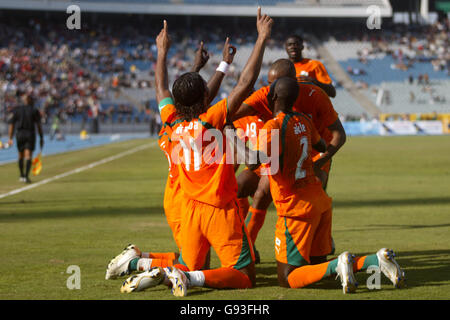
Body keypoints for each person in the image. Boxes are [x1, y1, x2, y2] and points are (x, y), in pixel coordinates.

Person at [120, 9, 273, 297]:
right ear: (205, 98)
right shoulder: (208, 122)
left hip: (188, 208)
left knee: (193, 263)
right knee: (243, 275)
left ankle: (161, 271)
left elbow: (161, 87)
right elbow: (245, 84)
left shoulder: (170, 123)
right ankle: (188, 280)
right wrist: (261, 38)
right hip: (218, 208)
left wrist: (161, 51)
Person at [246, 77, 405, 293]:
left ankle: (340, 263)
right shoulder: (303, 120)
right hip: (319, 200)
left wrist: (234, 141)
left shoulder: (272, 127)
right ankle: (375, 261)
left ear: (272, 97)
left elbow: (254, 161)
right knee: (315, 268)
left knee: (287, 277)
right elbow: (321, 144)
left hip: (295, 208)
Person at [106, 35, 235, 281]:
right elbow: (201, 100)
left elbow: (178, 92)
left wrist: (174, 58)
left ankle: (138, 260)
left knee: (196, 260)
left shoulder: (171, 121)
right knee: (196, 265)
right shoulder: (191, 125)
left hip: (176, 194)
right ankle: (139, 263)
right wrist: (223, 65)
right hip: (184, 197)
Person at [231, 58, 346, 264]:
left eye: (275, 84)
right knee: (258, 193)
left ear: (293, 82)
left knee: (311, 196)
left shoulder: (314, 96)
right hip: (281, 156)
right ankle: (247, 248)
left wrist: (320, 161)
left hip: (311, 159)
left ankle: (318, 240)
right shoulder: (267, 95)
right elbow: (229, 116)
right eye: (268, 83)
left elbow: (338, 135)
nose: (270, 89)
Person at [7, 93, 44, 184]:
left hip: (19, 134)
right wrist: (41, 137)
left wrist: (10, 138)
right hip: (30, 134)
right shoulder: (34, 110)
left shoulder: (17, 110)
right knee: (28, 156)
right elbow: (38, 125)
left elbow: (11, 125)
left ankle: (21, 175)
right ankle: (26, 176)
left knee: (20, 155)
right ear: (30, 101)